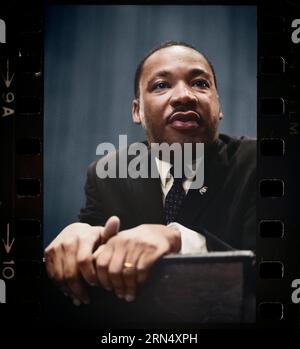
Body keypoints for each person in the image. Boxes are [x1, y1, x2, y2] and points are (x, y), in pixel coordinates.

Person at [44, 41, 256, 307]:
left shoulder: (258, 163)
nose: (184, 96)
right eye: (161, 85)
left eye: (200, 83)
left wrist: (177, 239)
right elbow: (94, 246)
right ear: (137, 112)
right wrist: (79, 237)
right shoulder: (107, 175)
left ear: (219, 106)